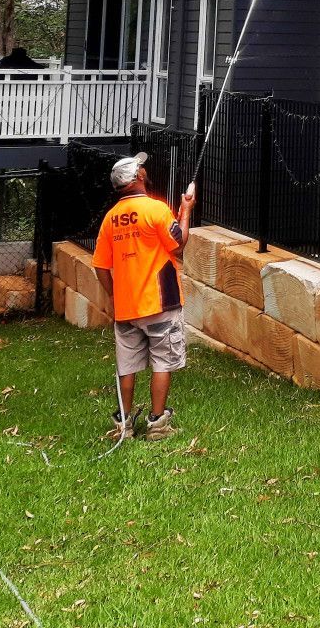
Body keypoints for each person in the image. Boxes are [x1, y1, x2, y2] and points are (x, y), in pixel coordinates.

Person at [92, 151, 196, 441]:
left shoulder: (110, 219)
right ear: (137, 178)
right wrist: (186, 209)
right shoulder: (156, 209)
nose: (145, 171)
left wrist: (115, 296)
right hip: (161, 303)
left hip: (126, 309)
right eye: (142, 169)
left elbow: (100, 266)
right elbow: (177, 244)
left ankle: (123, 424)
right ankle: (157, 424)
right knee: (163, 361)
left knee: (127, 365)